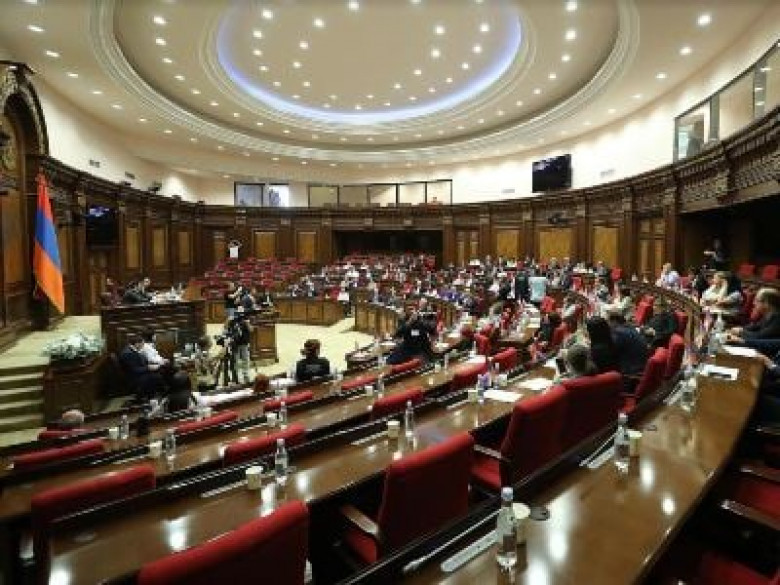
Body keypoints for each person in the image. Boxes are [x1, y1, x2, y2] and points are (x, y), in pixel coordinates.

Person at [119, 333, 165, 401]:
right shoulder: (128, 353)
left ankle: (154, 395)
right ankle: (152, 397)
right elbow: (134, 370)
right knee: (156, 376)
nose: (143, 346)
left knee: (158, 372)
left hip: (136, 374)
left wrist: (148, 366)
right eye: (142, 344)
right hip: (133, 378)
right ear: (137, 344)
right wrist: (148, 368)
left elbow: (138, 364)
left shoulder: (131, 350)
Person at [606, 310, 651, 379]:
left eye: (608, 322)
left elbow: (611, 351)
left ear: (614, 321)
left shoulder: (618, 332)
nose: (607, 324)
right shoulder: (630, 327)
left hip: (631, 371)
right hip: (642, 365)